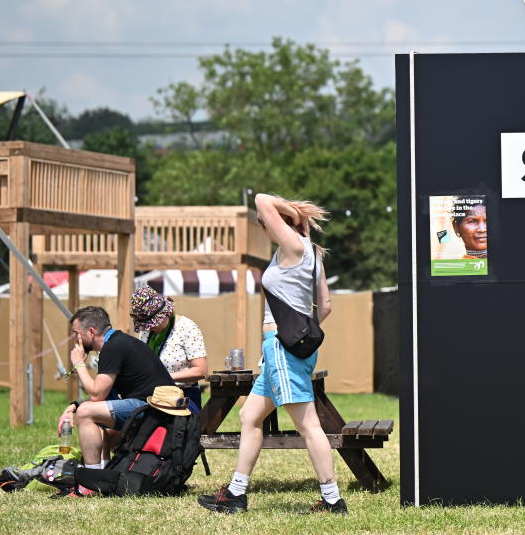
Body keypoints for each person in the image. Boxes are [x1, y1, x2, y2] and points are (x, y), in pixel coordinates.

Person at [198, 192, 344, 515]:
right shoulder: (313, 256)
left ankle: (333, 499)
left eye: (266, 225)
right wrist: (300, 332)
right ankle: (236, 494)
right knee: (249, 416)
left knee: (308, 425)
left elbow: (262, 198)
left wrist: (285, 339)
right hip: (287, 350)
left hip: (282, 349)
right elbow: (327, 306)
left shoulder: (293, 248)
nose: (266, 229)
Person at [56, 306, 175, 471]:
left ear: (91, 331)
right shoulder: (117, 343)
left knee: (86, 413)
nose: (75, 339)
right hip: (155, 408)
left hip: (155, 411)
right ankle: (103, 471)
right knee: (91, 412)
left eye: (77, 333)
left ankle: (90, 478)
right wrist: (73, 406)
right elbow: (102, 396)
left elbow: (96, 394)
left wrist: (78, 363)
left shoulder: (113, 347)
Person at [130, 286, 209, 410]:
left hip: (182, 396)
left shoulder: (187, 328)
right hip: (150, 395)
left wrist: (165, 376)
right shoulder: (146, 331)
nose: (149, 327)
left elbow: (201, 370)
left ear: (165, 313)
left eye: (152, 323)